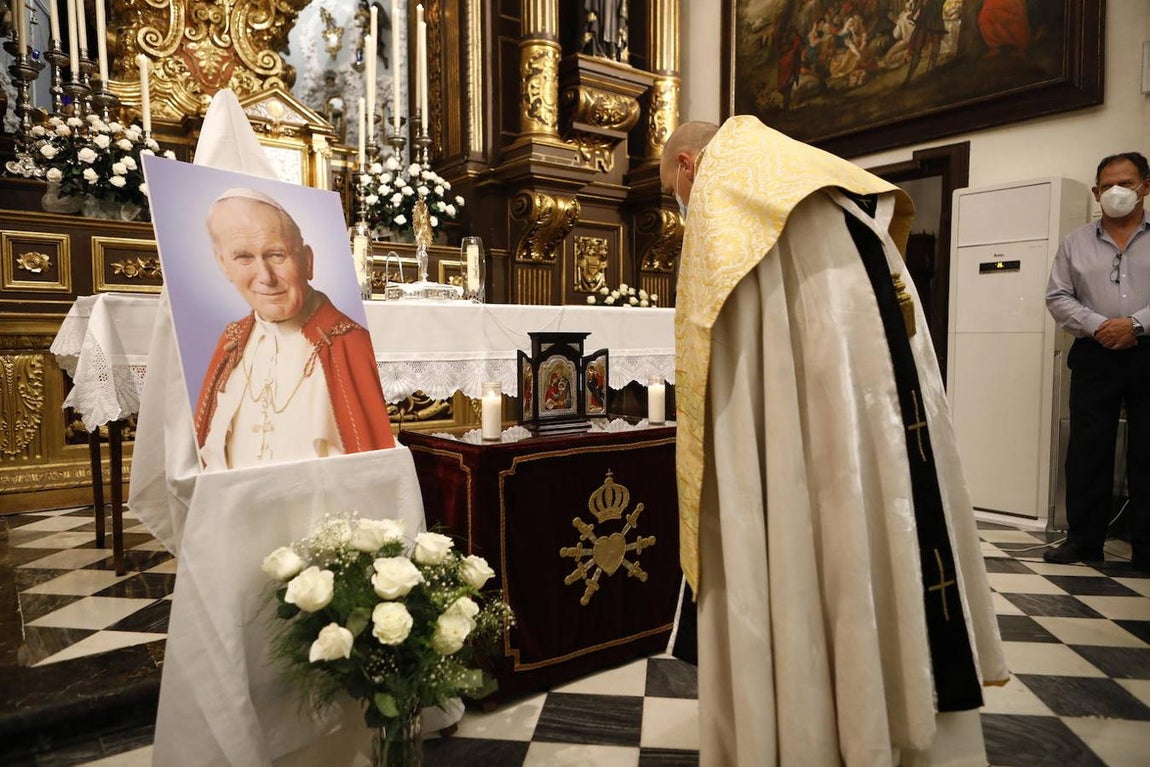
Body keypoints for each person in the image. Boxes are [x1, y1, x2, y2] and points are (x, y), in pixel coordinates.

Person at [663, 117, 1007, 766]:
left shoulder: (727, 193)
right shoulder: (814, 179)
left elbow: (739, 389)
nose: (683, 207)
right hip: (879, 417)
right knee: (877, 533)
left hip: (808, 442)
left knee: (809, 537)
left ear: (687, 166)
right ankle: (892, 715)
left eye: (675, 195)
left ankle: (810, 728)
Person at [195, 188, 395, 470]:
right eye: (243, 258)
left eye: (277, 255)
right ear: (224, 265)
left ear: (308, 261)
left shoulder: (350, 344)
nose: (265, 277)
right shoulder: (231, 341)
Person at [1044, 152, 1150, 570]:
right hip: (1094, 351)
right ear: (1096, 192)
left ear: (1146, 186)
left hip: (1149, 351)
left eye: (1126, 183)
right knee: (1087, 449)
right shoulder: (1075, 242)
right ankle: (1083, 542)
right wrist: (1100, 325)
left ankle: (1147, 546)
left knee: (1147, 450)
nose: (1117, 192)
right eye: (1107, 186)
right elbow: (1057, 297)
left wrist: (1135, 326)